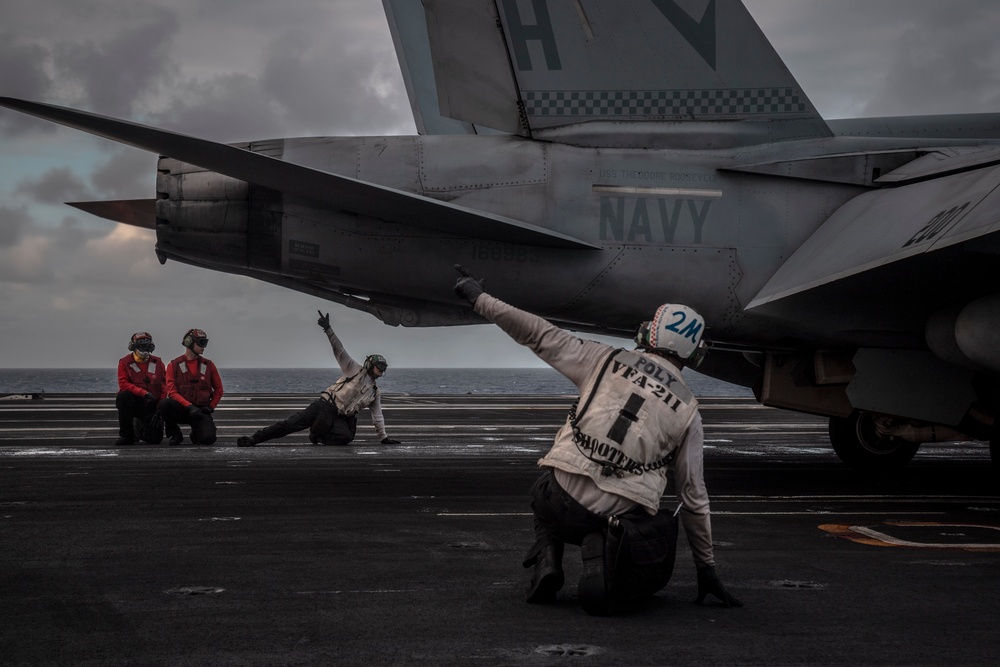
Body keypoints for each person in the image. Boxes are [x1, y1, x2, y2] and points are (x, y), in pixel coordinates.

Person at [453, 265, 741, 615]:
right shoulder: (690, 413)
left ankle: (548, 562)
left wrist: (479, 298)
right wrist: (706, 567)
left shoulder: (603, 359)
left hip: (558, 503)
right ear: (695, 354)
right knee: (649, 513)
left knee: (543, 486)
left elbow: (538, 334)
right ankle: (601, 551)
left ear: (647, 333)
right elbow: (693, 496)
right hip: (615, 520)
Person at [236, 311, 401, 447]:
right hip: (325, 406)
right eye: (380, 367)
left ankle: (317, 435)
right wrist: (328, 329)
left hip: (343, 416)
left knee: (346, 438)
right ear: (370, 365)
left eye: (383, 368)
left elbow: (377, 416)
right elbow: (339, 350)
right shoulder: (354, 370)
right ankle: (254, 438)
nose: (382, 370)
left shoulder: (374, 392)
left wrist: (383, 437)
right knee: (291, 424)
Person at [158, 328, 224, 446]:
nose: (204, 347)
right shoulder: (174, 365)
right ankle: (175, 433)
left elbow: (219, 389)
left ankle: (196, 433)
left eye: (205, 343)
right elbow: (172, 392)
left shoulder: (209, 365)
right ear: (189, 342)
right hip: (182, 408)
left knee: (208, 439)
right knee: (164, 404)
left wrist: (210, 406)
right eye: (201, 343)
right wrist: (189, 406)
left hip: (200, 410)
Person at [115, 331, 166, 446]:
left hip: (152, 404)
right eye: (142, 346)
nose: (145, 350)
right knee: (123, 397)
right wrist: (144, 393)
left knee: (154, 440)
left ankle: (139, 428)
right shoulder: (125, 362)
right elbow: (123, 384)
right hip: (136, 402)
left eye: (147, 346)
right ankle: (127, 435)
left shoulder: (158, 362)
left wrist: (160, 405)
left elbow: (164, 384)